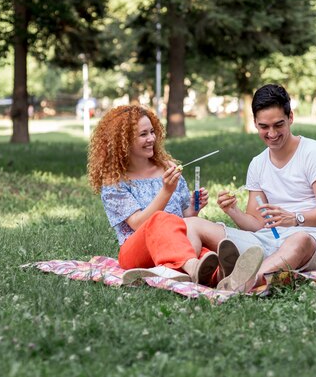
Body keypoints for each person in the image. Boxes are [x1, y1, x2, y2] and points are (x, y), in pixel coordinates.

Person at [88, 105, 262, 289]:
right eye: (143, 134)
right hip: (136, 252)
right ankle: (193, 266)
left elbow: (184, 221)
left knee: (206, 256)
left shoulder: (167, 168)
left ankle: (225, 277)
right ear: (123, 142)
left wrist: (194, 208)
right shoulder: (114, 182)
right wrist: (166, 191)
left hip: (176, 246)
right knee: (160, 220)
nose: (151, 139)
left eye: (152, 132)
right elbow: (140, 224)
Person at [216, 84, 316, 287]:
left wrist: (294, 218)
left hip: (314, 240)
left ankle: (247, 282)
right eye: (264, 126)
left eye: (278, 125)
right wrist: (233, 212)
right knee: (196, 226)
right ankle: (195, 270)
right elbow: (257, 224)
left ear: (290, 117)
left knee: (299, 240)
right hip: (268, 240)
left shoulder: (314, 153)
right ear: (255, 123)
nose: (272, 134)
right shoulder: (258, 163)